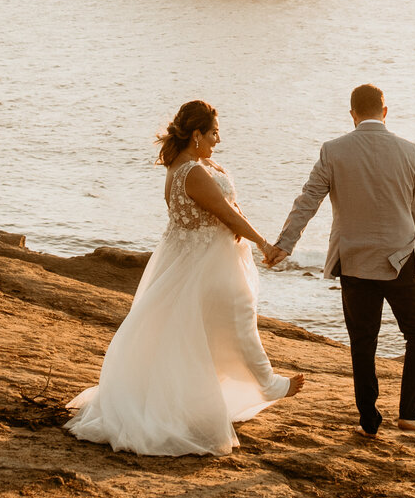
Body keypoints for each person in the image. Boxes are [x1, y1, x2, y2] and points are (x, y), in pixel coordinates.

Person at [65, 100, 305, 456]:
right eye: (214, 134)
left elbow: (224, 208)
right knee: (237, 315)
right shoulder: (191, 173)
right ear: (196, 134)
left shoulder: (188, 166)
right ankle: (267, 383)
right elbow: (227, 215)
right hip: (207, 263)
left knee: (201, 334)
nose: (218, 141)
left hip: (195, 260)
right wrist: (265, 244)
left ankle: (208, 398)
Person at [264, 84, 415, 437]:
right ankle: (409, 414)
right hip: (403, 259)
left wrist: (285, 244)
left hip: (354, 260)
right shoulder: (411, 151)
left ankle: (369, 421)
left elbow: (307, 200)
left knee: (363, 340)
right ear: (385, 112)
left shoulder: (333, 150)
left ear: (352, 114)